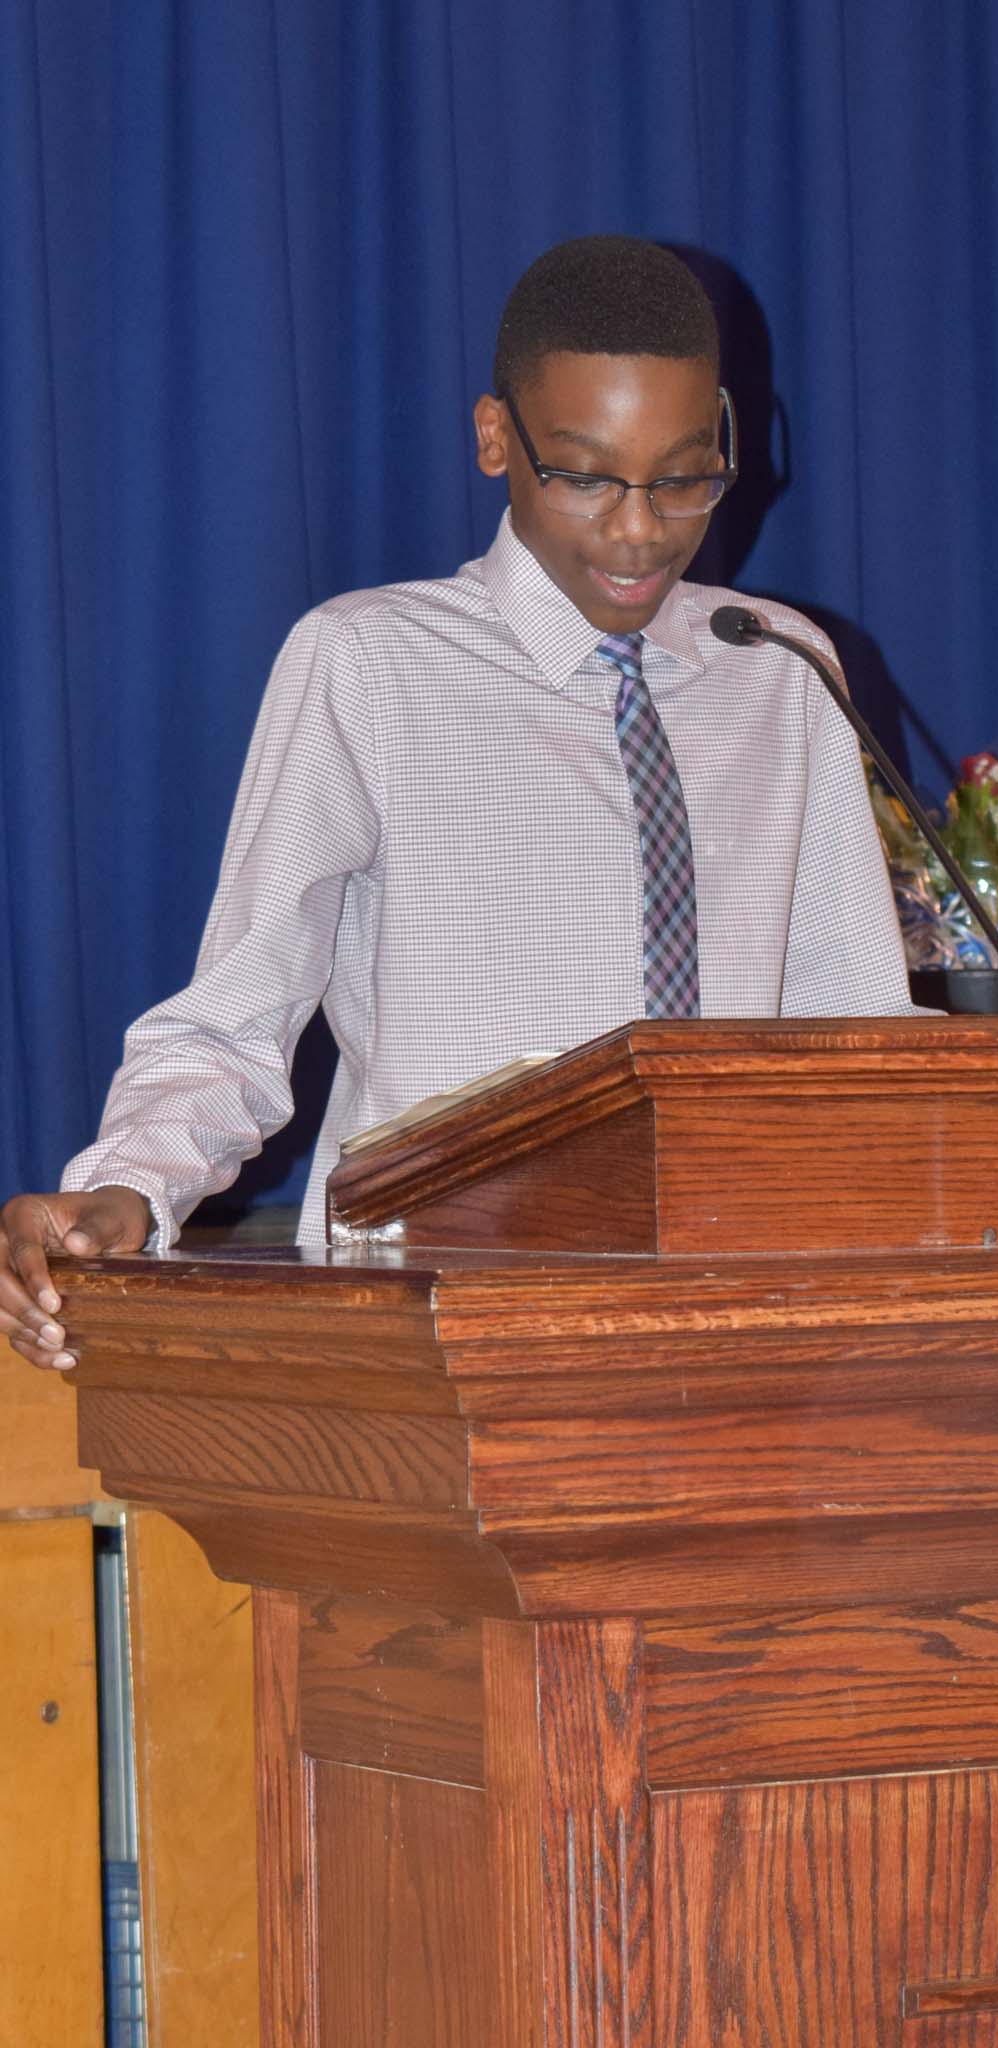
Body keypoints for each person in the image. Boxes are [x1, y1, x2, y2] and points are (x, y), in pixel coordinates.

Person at [1, 234, 919, 1372]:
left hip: (732, 1318)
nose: (639, 528)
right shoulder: (368, 664)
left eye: (683, 476)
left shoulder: (778, 667)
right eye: (585, 476)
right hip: (437, 1325)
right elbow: (236, 1018)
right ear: (496, 438)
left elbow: (855, 1034)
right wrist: (129, 1186)